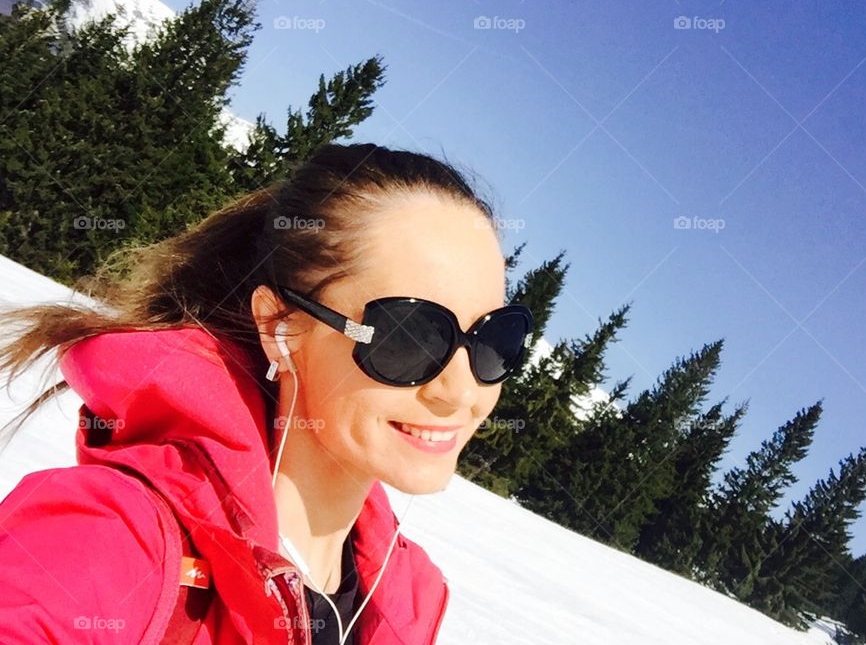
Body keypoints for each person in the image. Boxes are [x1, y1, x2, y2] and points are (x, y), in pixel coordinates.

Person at [0, 143, 534, 644]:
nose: (461, 390)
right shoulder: (108, 542)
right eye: (409, 334)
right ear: (280, 326)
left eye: (495, 338)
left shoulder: (407, 601)